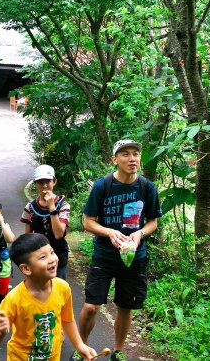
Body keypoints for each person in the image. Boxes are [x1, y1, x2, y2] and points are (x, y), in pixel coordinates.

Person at [77, 140, 162, 361]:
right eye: (125, 154)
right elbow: (88, 222)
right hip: (104, 255)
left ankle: (119, 351)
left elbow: (152, 222)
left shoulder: (146, 187)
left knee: (125, 307)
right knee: (91, 307)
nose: (132, 158)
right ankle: (82, 348)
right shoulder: (102, 185)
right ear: (114, 160)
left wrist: (140, 233)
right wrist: (108, 232)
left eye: (135, 154)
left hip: (134, 256)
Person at [0, 233, 97, 361]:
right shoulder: (14, 298)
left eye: (52, 252)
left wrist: (79, 345)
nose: (52, 259)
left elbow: (67, 320)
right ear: (26, 269)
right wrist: (0, 332)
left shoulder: (63, 288)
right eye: (43, 257)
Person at [21, 165, 71, 279]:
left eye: (48, 181)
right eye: (40, 182)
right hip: (38, 257)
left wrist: (52, 208)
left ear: (54, 181)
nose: (44, 186)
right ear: (35, 183)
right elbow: (27, 235)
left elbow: (59, 234)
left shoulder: (63, 205)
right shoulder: (30, 207)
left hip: (58, 256)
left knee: (58, 289)